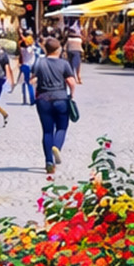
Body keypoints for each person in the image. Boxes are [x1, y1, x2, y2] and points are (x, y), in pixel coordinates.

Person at [31, 36, 79, 175]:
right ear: (58, 49)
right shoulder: (64, 64)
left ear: (46, 49)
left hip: (43, 100)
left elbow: (32, 79)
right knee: (62, 128)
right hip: (60, 99)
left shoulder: (39, 62)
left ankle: (49, 163)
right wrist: (72, 95)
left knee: (47, 131)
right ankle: (56, 147)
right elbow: (71, 82)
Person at [17, 36, 37, 105]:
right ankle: (32, 100)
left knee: (23, 83)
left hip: (23, 66)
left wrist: (22, 39)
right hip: (29, 67)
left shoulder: (22, 49)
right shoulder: (31, 48)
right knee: (30, 84)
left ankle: (24, 99)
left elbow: (19, 43)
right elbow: (34, 47)